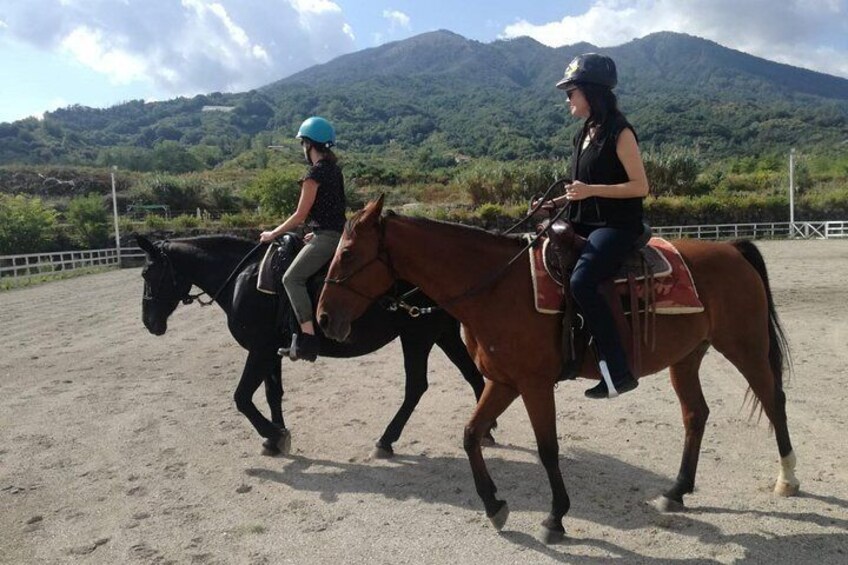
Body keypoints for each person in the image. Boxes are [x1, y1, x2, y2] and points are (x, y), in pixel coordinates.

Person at [544, 53, 650, 399]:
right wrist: (555, 203)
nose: (567, 98)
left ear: (591, 92)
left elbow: (640, 186)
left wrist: (591, 191)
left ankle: (617, 371)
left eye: (571, 91)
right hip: (583, 220)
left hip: (616, 224)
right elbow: (579, 189)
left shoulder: (620, 132)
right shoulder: (583, 135)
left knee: (583, 281)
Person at [259, 116, 346, 362]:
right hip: (337, 235)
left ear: (308, 144)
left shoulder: (314, 174)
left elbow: (299, 214)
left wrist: (272, 234)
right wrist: (316, 230)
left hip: (327, 238)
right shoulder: (334, 171)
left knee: (292, 278)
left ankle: (307, 339)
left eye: (302, 144)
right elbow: (335, 211)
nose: (302, 149)